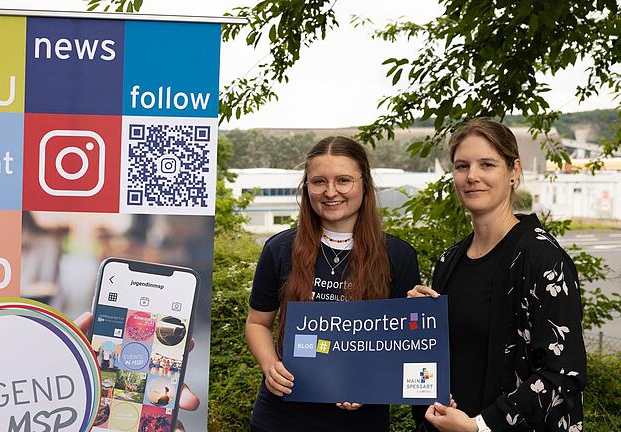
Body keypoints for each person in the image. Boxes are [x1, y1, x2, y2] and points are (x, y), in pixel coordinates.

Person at [408, 118, 586, 432]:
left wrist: (480, 426)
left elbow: (562, 374)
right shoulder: (450, 260)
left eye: (487, 164)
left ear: (514, 171)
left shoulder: (542, 258)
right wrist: (417, 323)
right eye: (462, 166)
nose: (472, 176)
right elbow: (438, 363)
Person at [245, 136, 421, 432]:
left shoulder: (398, 255)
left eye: (343, 180)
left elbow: (408, 344)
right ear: (307, 187)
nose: (330, 192)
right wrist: (269, 365)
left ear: (364, 184)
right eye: (318, 182)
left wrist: (373, 383)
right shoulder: (279, 248)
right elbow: (257, 324)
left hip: (361, 423)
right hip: (280, 418)